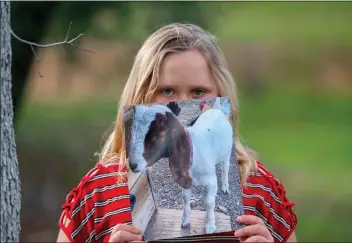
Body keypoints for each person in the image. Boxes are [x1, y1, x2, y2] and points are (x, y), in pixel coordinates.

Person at [56, 23, 298, 243]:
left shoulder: (257, 187)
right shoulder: (100, 190)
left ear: (221, 95)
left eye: (198, 92)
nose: (182, 106)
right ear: (140, 95)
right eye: (168, 91)